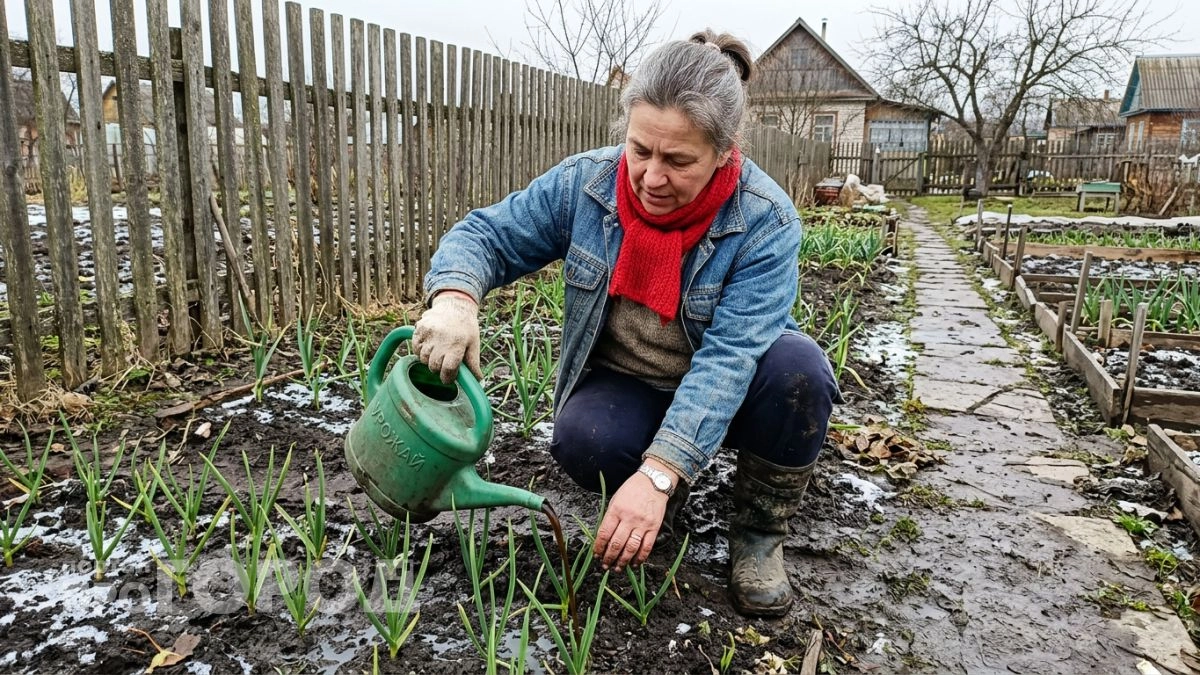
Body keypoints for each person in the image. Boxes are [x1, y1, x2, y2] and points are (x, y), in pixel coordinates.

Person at [412, 29, 840, 618]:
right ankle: (664, 490)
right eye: (641, 150)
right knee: (584, 439)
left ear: (725, 150)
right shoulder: (586, 185)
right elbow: (487, 234)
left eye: (679, 160)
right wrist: (455, 299)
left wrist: (660, 473)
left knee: (801, 373)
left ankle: (759, 533)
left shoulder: (764, 220)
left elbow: (730, 359)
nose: (652, 177)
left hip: (732, 390)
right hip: (632, 381)